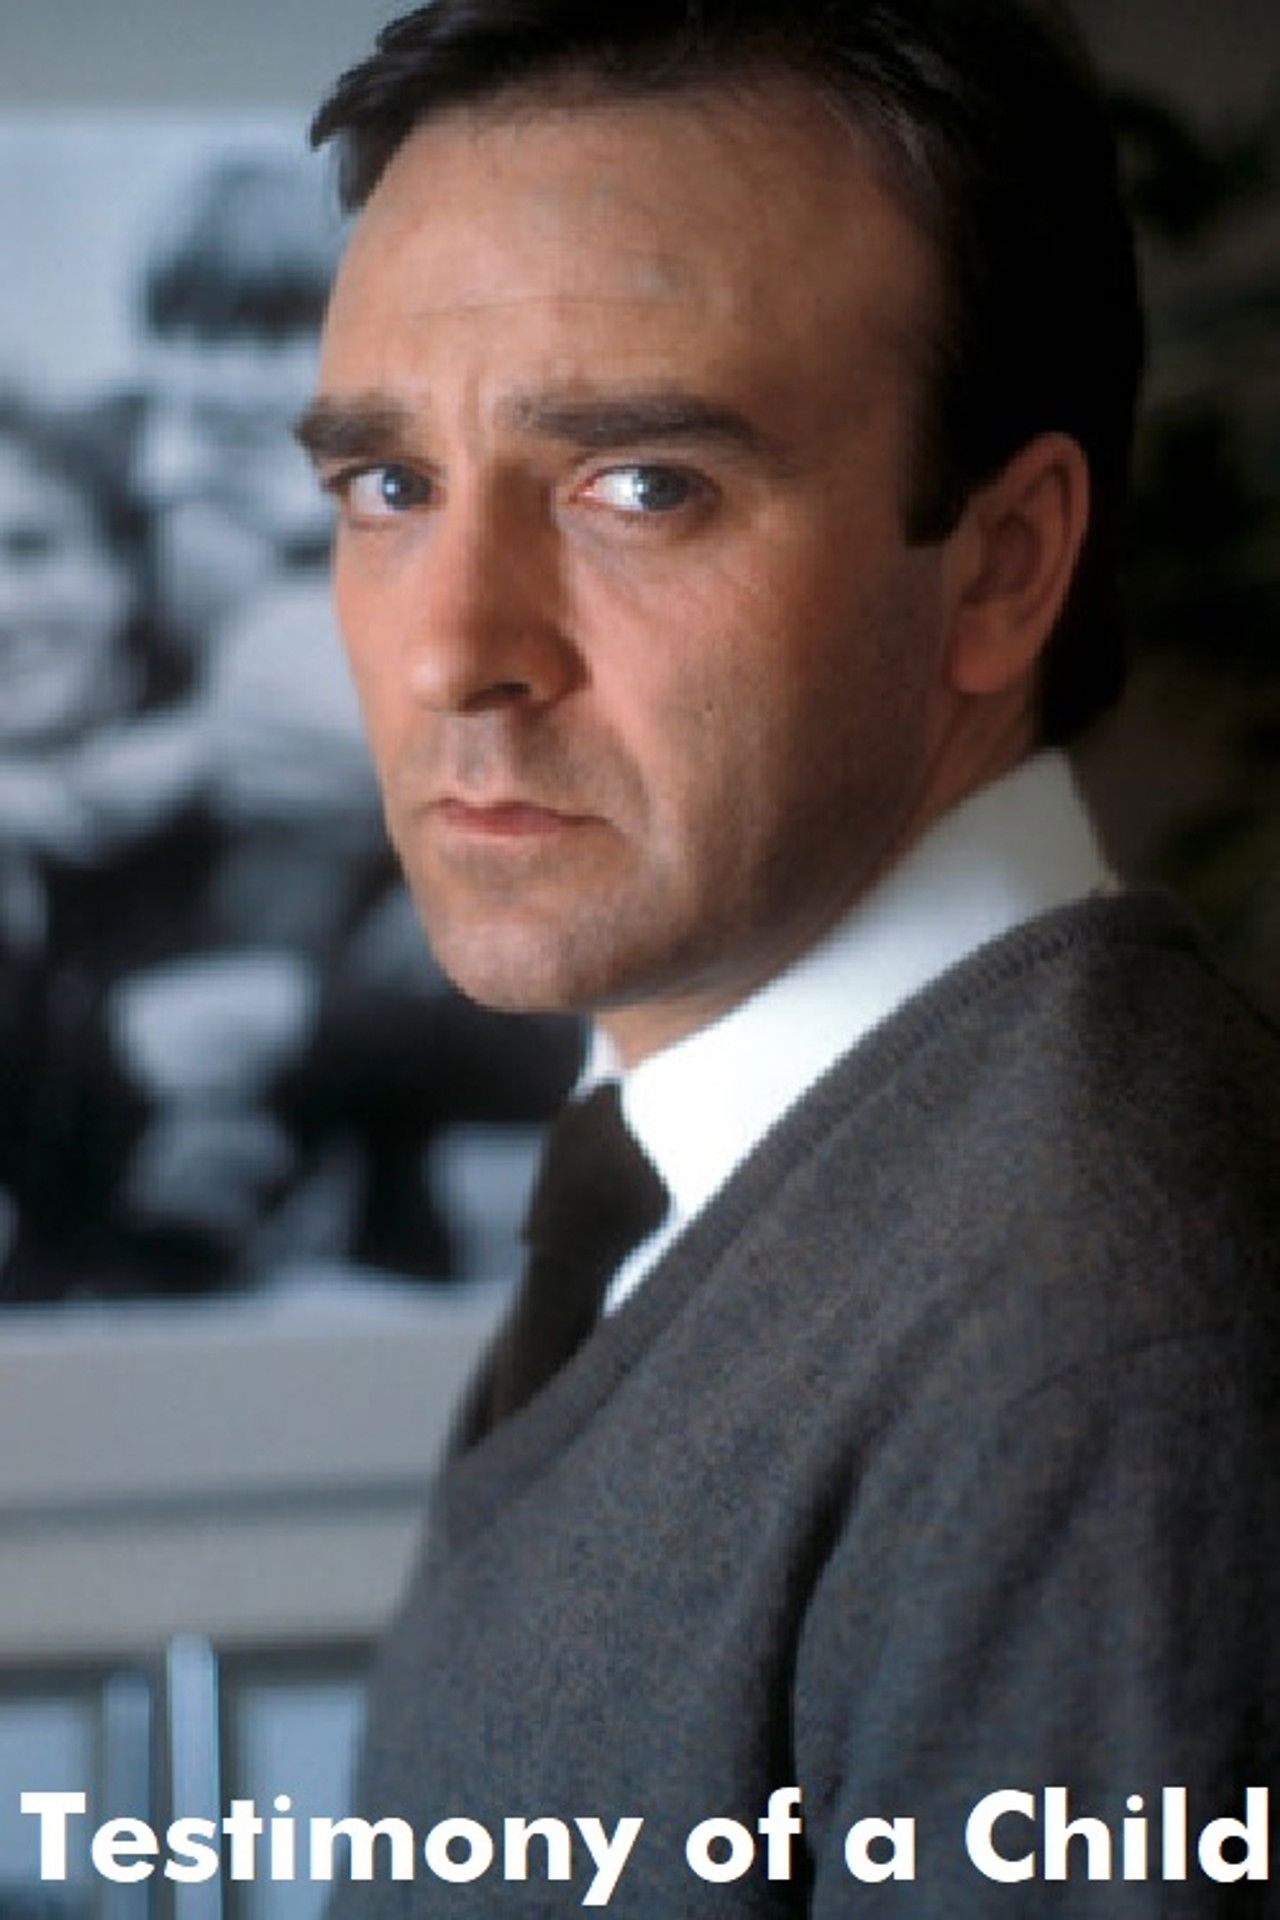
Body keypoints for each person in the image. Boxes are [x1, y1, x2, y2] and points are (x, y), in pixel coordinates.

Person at [298, 0, 1280, 1910]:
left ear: (1003, 562)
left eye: (642, 485)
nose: (450, 651)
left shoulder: (1094, 1346)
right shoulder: (742, 1156)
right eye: (388, 488)